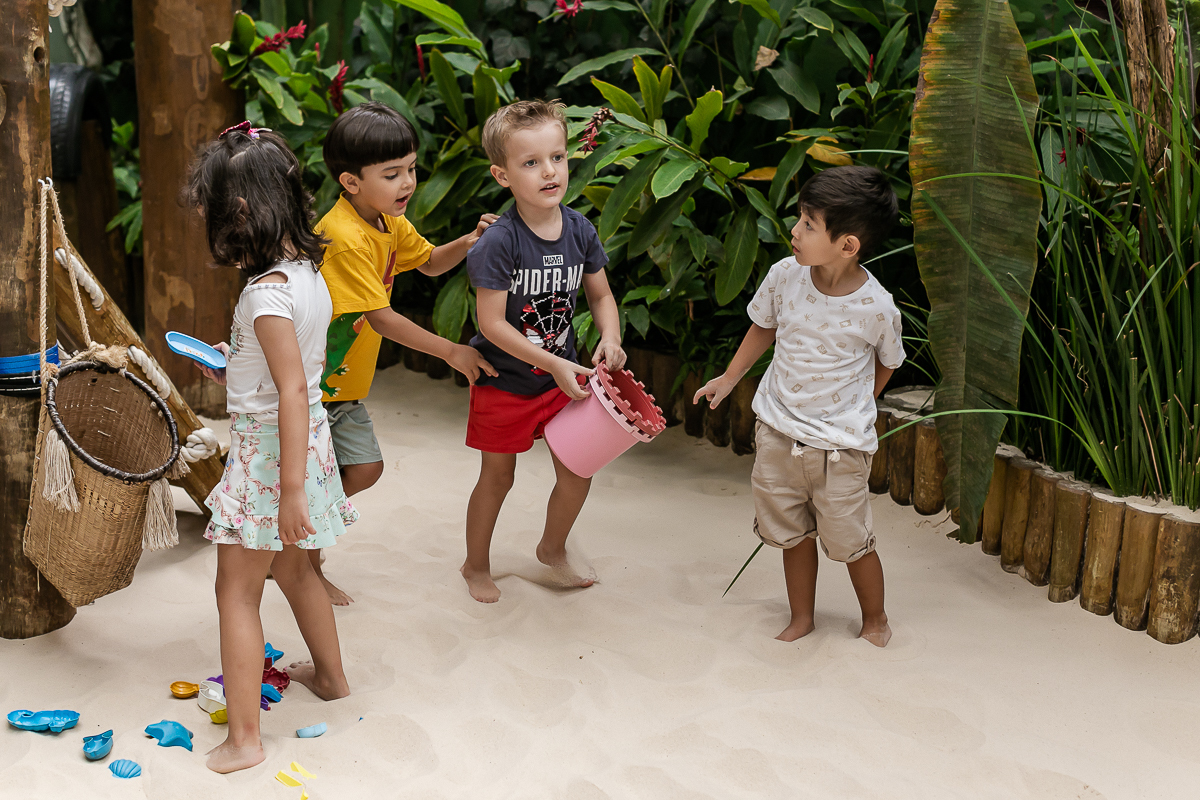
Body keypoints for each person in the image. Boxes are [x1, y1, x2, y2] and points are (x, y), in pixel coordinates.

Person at [188, 123, 356, 773]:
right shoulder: (307, 273)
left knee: (235, 592)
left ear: (238, 212)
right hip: (307, 439)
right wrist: (234, 364)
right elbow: (294, 369)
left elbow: (289, 389)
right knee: (296, 570)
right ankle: (332, 678)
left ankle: (245, 741)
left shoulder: (264, 294)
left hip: (269, 455)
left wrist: (287, 492)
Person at [695, 166, 905, 647]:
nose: (794, 230)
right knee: (791, 534)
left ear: (847, 245)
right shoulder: (785, 276)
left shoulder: (877, 307)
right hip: (778, 431)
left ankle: (875, 620)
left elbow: (889, 361)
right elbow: (763, 327)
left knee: (852, 541)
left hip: (840, 448)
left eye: (809, 224)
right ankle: (801, 618)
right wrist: (729, 379)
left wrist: (862, 403)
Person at [314, 102, 497, 605]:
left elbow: (431, 262)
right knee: (331, 477)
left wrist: (471, 241)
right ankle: (304, 564)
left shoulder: (386, 222)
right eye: (392, 174)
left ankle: (293, 542)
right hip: (315, 385)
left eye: (411, 169)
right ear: (351, 182)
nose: (409, 183)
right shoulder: (344, 237)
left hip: (343, 386)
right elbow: (381, 317)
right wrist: (451, 351)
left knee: (361, 470)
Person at [461, 100, 625, 603]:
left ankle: (551, 547)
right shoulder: (500, 242)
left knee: (578, 471)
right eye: (531, 162)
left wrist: (611, 337)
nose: (549, 171)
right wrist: (552, 363)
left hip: (562, 381)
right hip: (505, 383)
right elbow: (490, 324)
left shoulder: (580, 230)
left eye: (557, 157)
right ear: (502, 175)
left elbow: (601, 296)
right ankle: (475, 565)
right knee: (497, 478)